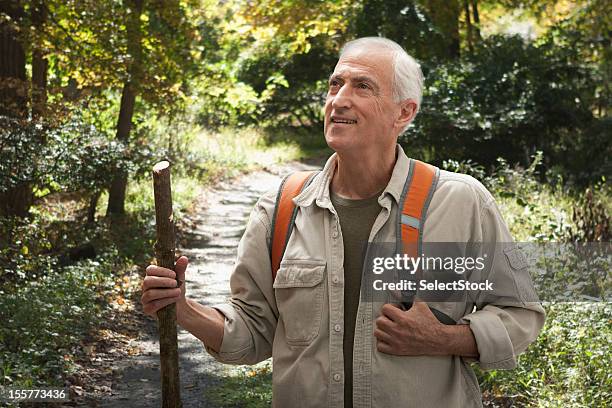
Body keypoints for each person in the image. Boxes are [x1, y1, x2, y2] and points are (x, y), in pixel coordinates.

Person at [141, 37, 545, 408]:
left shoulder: (460, 202)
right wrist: (184, 309)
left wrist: (445, 338)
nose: (339, 100)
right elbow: (253, 331)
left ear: (404, 112)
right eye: (335, 85)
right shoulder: (282, 208)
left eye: (362, 87)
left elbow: (521, 314)